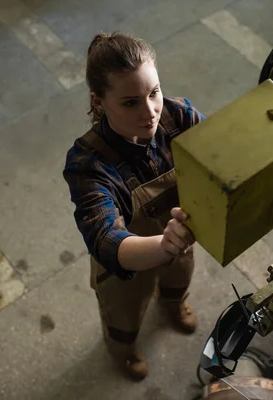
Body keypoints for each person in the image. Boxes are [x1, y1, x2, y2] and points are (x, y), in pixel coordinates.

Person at [63, 31, 205, 381]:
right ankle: (124, 351)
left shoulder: (180, 117)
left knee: (179, 276)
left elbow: (218, 156)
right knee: (123, 315)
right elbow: (107, 238)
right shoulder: (89, 163)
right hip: (129, 263)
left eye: (153, 92)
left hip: (181, 236)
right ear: (98, 102)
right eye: (130, 103)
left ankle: (173, 304)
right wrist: (163, 245)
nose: (150, 112)